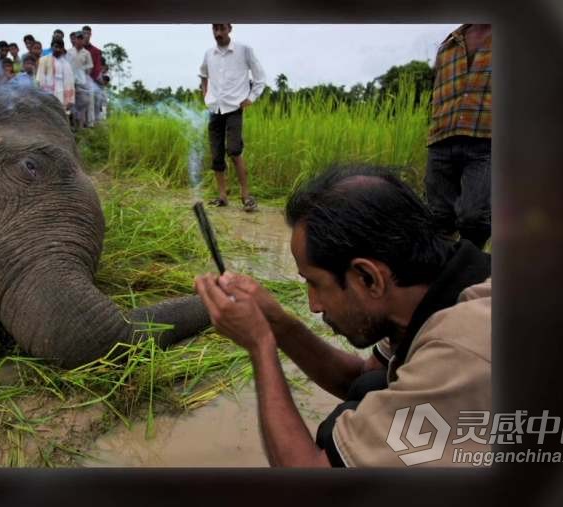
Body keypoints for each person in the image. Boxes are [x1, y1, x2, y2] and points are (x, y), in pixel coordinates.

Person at [194, 163, 491, 467]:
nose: (314, 305)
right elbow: (363, 377)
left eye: (315, 283)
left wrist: (260, 346)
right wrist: (277, 323)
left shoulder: (461, 350)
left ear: (368, 278)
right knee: (369, 387)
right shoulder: (426, 288)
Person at [424, 24, 492, 250]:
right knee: (437, 217)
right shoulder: (449, 44)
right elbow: (438, 95)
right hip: (442, 139)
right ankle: (443, 272)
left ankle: (470, 267)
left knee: (474, 216)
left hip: (486, 139)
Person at [199, 24, 266, 212]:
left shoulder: (244, 51)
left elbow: (260, 78)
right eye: (215, 29)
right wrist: (206, 95)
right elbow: (203, 74)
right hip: (214, 109)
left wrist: (251, 98)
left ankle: (246, 196)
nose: (218, 33)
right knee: (216, 155)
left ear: (229, 28)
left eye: (221, 29)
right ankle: (222, 196)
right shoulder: (208, 54)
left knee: (234, 150)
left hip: (234, 107)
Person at [36, 39, 75, 115]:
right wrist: (42, 95)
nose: (58, 49)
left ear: (62, 48)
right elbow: (40, 78)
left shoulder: (66, 64)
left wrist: (71, 100)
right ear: (51, 47)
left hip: (62, 90)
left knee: (61, 113)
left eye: (60, 47)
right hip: (48, 92)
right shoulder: (44, 60)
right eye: (56, 47)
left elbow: (70, 83)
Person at [66, 31, 94, 128]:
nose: (79, 40)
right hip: (70, 82)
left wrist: (84, 78)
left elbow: (90, 67)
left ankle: (81, 127)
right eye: (78, 38)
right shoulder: (69, 52)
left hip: (82, 83)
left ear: (83, 40)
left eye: (81, 38)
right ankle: (72, 126)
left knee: (82, 104)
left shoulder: (86, 53)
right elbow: (66, 66)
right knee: (71, 104)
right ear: (75, 39)